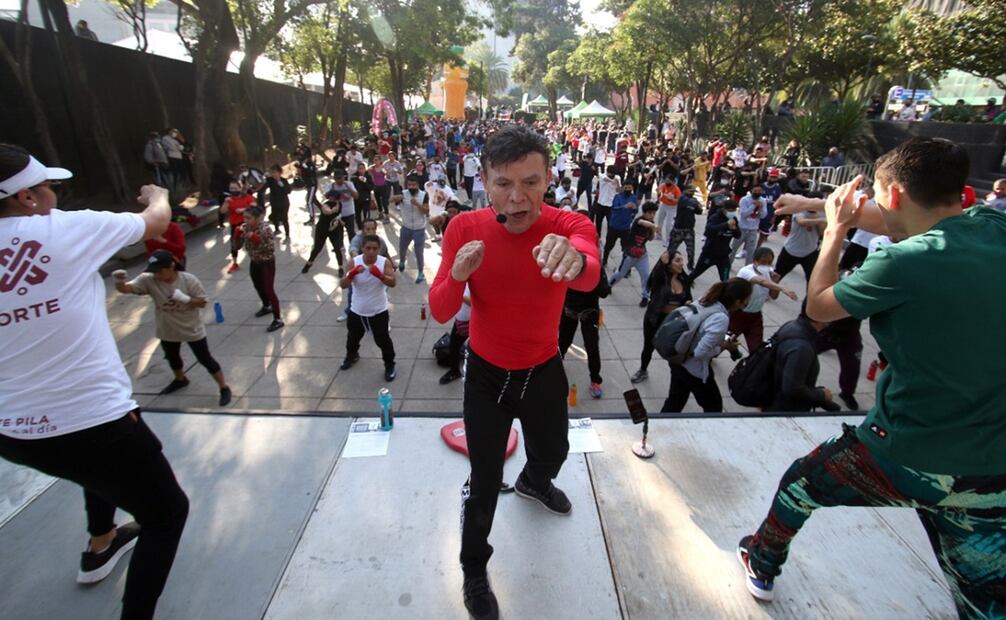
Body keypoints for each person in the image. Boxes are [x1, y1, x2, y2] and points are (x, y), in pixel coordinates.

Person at [737, 138, 1006, 618]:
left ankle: (761, 561)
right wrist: (817, 203)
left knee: (801, 485)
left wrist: (835, 231)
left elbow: (818, 306)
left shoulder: (901, 263)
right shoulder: (992, 223)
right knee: (981, 591)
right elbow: (899, 217)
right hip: (991, 468)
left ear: (896, 193)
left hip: (906, 455)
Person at [0, 145, 187, 619]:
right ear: (25, 198)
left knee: (97, 471)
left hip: (12, 433)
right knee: (166, 514)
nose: (54, 196)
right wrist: (157, 192)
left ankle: (101, 543)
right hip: (93, 422)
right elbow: (155, 222)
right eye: (48, 188)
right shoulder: (65, 230)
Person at [428, 125, 600, 620]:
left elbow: (588, 271)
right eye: (504, 183)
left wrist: (575, 257)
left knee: (555, 451)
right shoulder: (464, 228)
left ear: (549, 176)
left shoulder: (569, 224)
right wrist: (457, 275)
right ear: (484, 179)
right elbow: (440, 310)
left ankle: (533, 482)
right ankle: (474, 568)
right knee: (482, 481)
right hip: (485, 375)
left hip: (542, 369)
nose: (518, 197)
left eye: (531, 181)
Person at [114, 251, 231, 406]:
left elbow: (202, 302)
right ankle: (180, 379)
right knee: (172, 356)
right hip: (167, 327)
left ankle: (223, 387)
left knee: (205, 358)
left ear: (171, 266)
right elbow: (127, 289)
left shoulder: (188, 280)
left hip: (190, 326)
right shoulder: (148, 280)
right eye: (153, 271)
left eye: (159, 271)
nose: (156, 274)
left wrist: (185, 298)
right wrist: (119, 281)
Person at [660, 278, 752, 412]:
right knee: (714, 407)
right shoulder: (720, 318)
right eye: (747, 300)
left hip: (677, 359)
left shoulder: (705, 301)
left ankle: (660, 426)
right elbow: (699, 353)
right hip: (693, 368)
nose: (747, 303)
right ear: (738, 301)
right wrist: (723, 346)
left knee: (675, 401)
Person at [558, 214, 611, 399]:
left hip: (583, 311)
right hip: (574, 311)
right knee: (569, 344)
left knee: (583, 345)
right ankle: (556, 375)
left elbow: (604, 291)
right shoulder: (573, 261)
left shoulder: (588, 263)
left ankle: (593, 379)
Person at [338, 235, 397, 380]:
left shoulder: (384, 262)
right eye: (368, 248)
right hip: (357, 310)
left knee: (383, 340)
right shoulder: (354, 262)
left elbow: (393, 283)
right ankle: (352, 356)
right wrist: (351, 274)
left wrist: (380, 276)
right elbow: (343, 285)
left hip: (378, 310)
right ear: (362, 248)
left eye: (375, 249)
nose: (371, 252)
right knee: (352, 338)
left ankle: (390, 365)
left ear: (379, 249)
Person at [766, 302, 842, 412]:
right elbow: (792, 388)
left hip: (774, 399)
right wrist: (821, 395)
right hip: (787, 411)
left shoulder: (792, 326)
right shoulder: (801, 348)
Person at [630, 250, 691, 384]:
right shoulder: (661, 279)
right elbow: (652, 280)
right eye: (677, 261)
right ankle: (643, 370)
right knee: (648, 347)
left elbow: (688, 297)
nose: (682, 264)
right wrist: (660, 264)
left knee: (675, 351)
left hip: (673, 323)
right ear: (668, 265)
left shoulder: (684, 279)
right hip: (655, 318)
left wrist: (687, 303)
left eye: (682, 260)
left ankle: (677, 378)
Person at [730, 247, 797, 353]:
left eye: (769, 262)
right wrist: (783, 289)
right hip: (738, 314)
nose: (766, 265)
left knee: (756, 349)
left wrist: (776, 281)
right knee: (723, 341)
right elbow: (761, 281)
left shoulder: (769, 273)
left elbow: (773, 296)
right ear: (755, 261)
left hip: (755, 316)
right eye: (763, 262)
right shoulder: (746, 271)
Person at [240, 206, 284, 332]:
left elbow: (270, 248)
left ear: (258, 218)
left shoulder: (265, 229)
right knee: (257, 285)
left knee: (269, 289)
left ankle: (278, 319)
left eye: (249, 218)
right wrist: (238, 236)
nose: (246, 220)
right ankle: (266, 305)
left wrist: (254, 237)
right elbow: (237, 246)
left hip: (266, 262)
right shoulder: (246, 227)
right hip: (254, 261)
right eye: (245, 217)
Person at [610, 201, 658, 307]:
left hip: (642, 256)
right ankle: (608, 286)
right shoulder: (639, 221)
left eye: (654, 213)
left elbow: (650, 238)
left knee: (645, 276)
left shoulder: (651, 224)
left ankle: (645, 297)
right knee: (620, 274)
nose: (652, 215)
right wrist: (654, 226)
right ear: (644, 213)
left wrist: (653, 231)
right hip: (629, 255)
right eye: (650, 213)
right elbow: (644, 223)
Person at [689, 199, 741, 283]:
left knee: (725, 279)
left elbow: (738, 235)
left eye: (734, 210)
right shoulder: (715, 217)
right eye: (730, 210)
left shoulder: (734, 219)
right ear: (724, 209)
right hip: (709, 253)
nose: (732, 212)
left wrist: (735, 229)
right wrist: (725, 225)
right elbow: (708, 231)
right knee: (695, 273)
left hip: (723, 255)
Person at [392, 174, 430, 283]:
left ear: (418, 185)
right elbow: (390, 200)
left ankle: (421, 273)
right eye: (409, 185)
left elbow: (426, 211)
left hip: (419, 229)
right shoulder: (403, 194)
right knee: (402, 248)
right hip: (406, 227)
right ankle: (402, 261)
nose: (411, 187)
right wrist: (395, 198)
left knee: (419, 252)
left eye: (414, 185)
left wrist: (417, 204)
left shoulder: (424, 195)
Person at [775, 208, 826, 282]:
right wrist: (820, 220)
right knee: (777, 276)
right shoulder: (799, 209)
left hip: (810, 251)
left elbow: (821, 233)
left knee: (812, 281)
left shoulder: (822, 213)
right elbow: (802, 222)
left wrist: (818, 218)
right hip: (791, 250)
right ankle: (768, 292)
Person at [302, 190, 345, 276]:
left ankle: (340, 267)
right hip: (322, 229)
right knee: (318, 248)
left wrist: (340, 221)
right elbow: (327, 212)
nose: (336, 200)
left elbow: (338, 215)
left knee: (337, 248)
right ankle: (309, 263)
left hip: (334, 229)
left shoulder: (339, 204)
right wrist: (334, 209)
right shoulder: (326, 204)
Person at [220, 180, 254, 273]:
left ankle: (256, 260)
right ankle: (235, 263)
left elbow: (255, 207)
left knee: (251, 242)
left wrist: (244, 209)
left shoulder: (248, 197)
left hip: (248, 224)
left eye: (235, 188)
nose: (233, 190)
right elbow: (222, 211)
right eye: (231, 188)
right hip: (235, 225)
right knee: (234, 245)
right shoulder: (229, 199)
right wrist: (226, 203)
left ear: (240, 188)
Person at [602, 182, 637, 267]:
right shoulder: (617, 197)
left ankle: (625, 266)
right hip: (614, 226)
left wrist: (634, 209)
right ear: (623, 188)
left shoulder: (634, 197)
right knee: (608, 245)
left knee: (626, 248)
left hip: (625, 228)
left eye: (630, 188)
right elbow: (613, 208)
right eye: (626, 188)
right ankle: (604, 260)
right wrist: (624, 206)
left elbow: (635, 211)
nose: (628, 190)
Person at [667, 185, 701, 270]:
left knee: (691, 251)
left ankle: (690, 266)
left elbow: (699, 211)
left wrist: (697, 204)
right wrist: (696, 202)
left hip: (689, 229)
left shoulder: (693, 200)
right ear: (685, 191)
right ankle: (666, 264)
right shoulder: (682, 198)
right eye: (690, 191)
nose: (692, 193)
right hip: (678, 229)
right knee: (671, 250)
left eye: (693, 192)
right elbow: (689, 202)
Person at [731, 187, 768, 263]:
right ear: (752, 191)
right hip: (742, 228)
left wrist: (760, 207)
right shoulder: (745, 199)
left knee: (750, 252)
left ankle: (748, 269)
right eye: (755, 191)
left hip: (753, 230)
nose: (757, 192)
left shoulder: (763, 201)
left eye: (759, 191)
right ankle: (727, 264)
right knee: (733, 248)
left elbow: (763, 216)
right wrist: (753, 206)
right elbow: (743, 214)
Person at [265, 164, 291, 238]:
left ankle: (287, 234)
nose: (273, 174)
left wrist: (282, 185)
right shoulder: (270, 180)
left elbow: (288, 191)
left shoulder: (284, 181)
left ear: (279, 172)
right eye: (272, 172)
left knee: (284, 219)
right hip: (274, 202)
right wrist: (265, 176)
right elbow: (264, 182)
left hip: (284, 203)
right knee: (274, 217)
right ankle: (277, 229)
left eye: (275, 172)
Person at [656, 175, 681, 241]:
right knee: (660, 221)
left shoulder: (676, 189)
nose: (667, 182)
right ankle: (658, 235)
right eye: (666, 180)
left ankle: (668, 239)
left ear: (673, 182)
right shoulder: (663, 185)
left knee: (668, 224)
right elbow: (660, 191)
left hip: (672, 207)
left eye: (668, 181)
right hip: (663, 205)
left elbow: (679, 200)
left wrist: (673, 199)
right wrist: (659, 191)